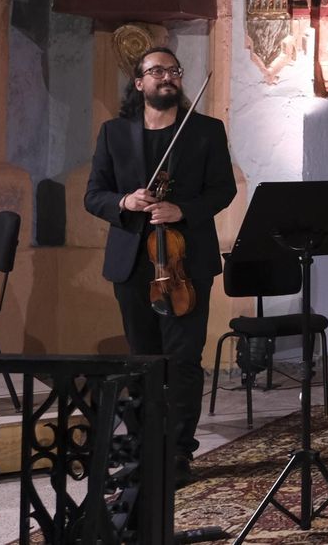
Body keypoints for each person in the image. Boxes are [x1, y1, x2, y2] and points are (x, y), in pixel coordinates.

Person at [84, 47, 235, 488]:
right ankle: (143, 447)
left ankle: (178, 453)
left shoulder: (205, 131)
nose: (166, 77)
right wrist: (124, 203)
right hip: (133, 264)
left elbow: (221, 190)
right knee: (143, 361)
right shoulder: (114, 133)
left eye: (173, 70)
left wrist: (181, 210)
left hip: (186, 262)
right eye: (156, 71)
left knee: (183, 359)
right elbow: (94, 194)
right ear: (138, 82)